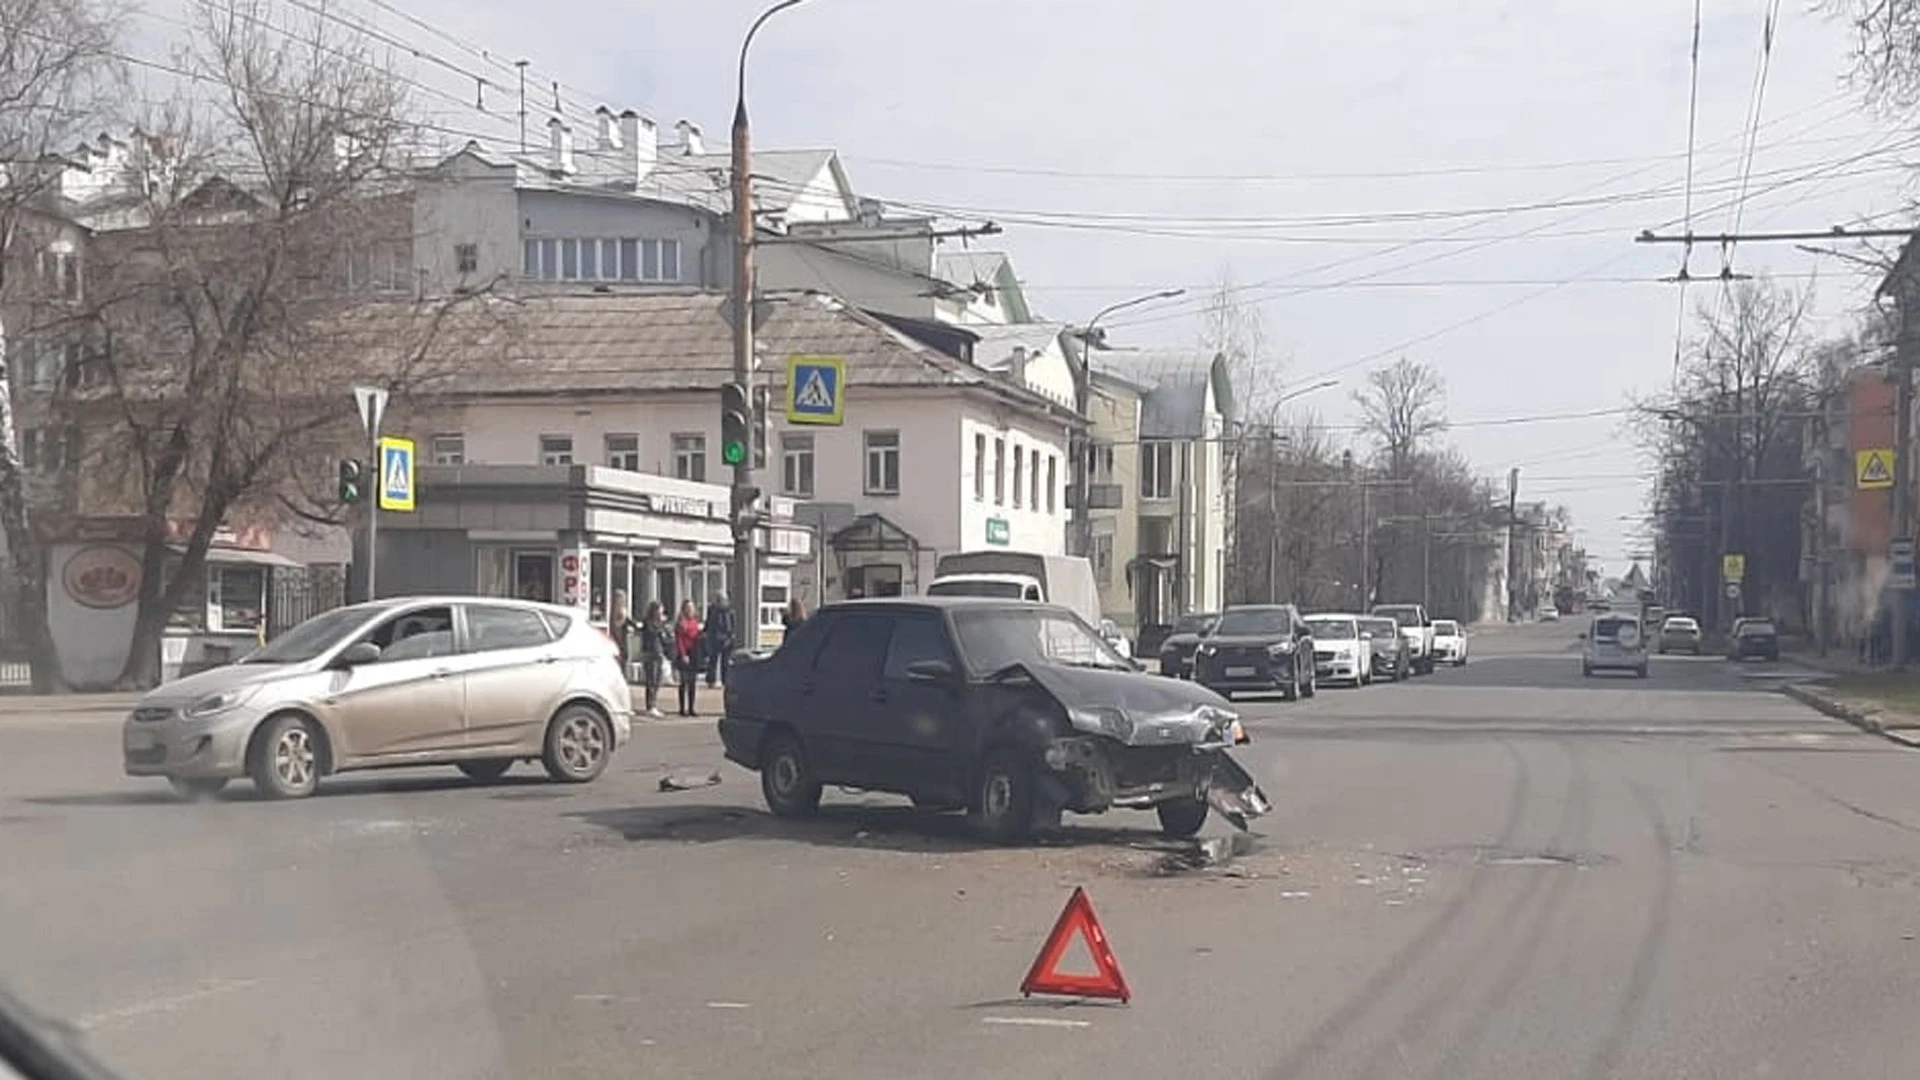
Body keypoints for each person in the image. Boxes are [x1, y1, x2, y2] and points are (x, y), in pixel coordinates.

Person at [636, 601, 670, 718]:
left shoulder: (660, 624)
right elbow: (651, 634)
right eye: (659, 610)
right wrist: (660, 626)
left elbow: (665, 638)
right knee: (651, 680)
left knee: (657, 680)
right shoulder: (648, 623)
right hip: (650, 654)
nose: (661, 612)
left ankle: (654, 704)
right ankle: (650, 706)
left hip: (659, 653)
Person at [673, 600, 703, 716]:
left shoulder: (695, 622)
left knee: (692, 683)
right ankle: (682, 708)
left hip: (694, 654)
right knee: (684, 682)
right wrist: (683, 654)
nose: (690, 610)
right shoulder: (681, 623)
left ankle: (691, 708)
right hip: (684, 654)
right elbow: (679, 640)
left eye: (692, 608)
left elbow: (697, 637)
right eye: (688, 608)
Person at [702, 594, 736, 688]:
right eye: (719, 600)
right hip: (715, 638)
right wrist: (706, 633)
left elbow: (733, 625)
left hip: (726, 638)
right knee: (713, 660)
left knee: (726, 661)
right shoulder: (713, 610)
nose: (721, 602)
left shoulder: (730, 611)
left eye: (722, 599)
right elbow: (709, 623)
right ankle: (711, 680)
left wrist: (731, 636)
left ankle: (725, 681)